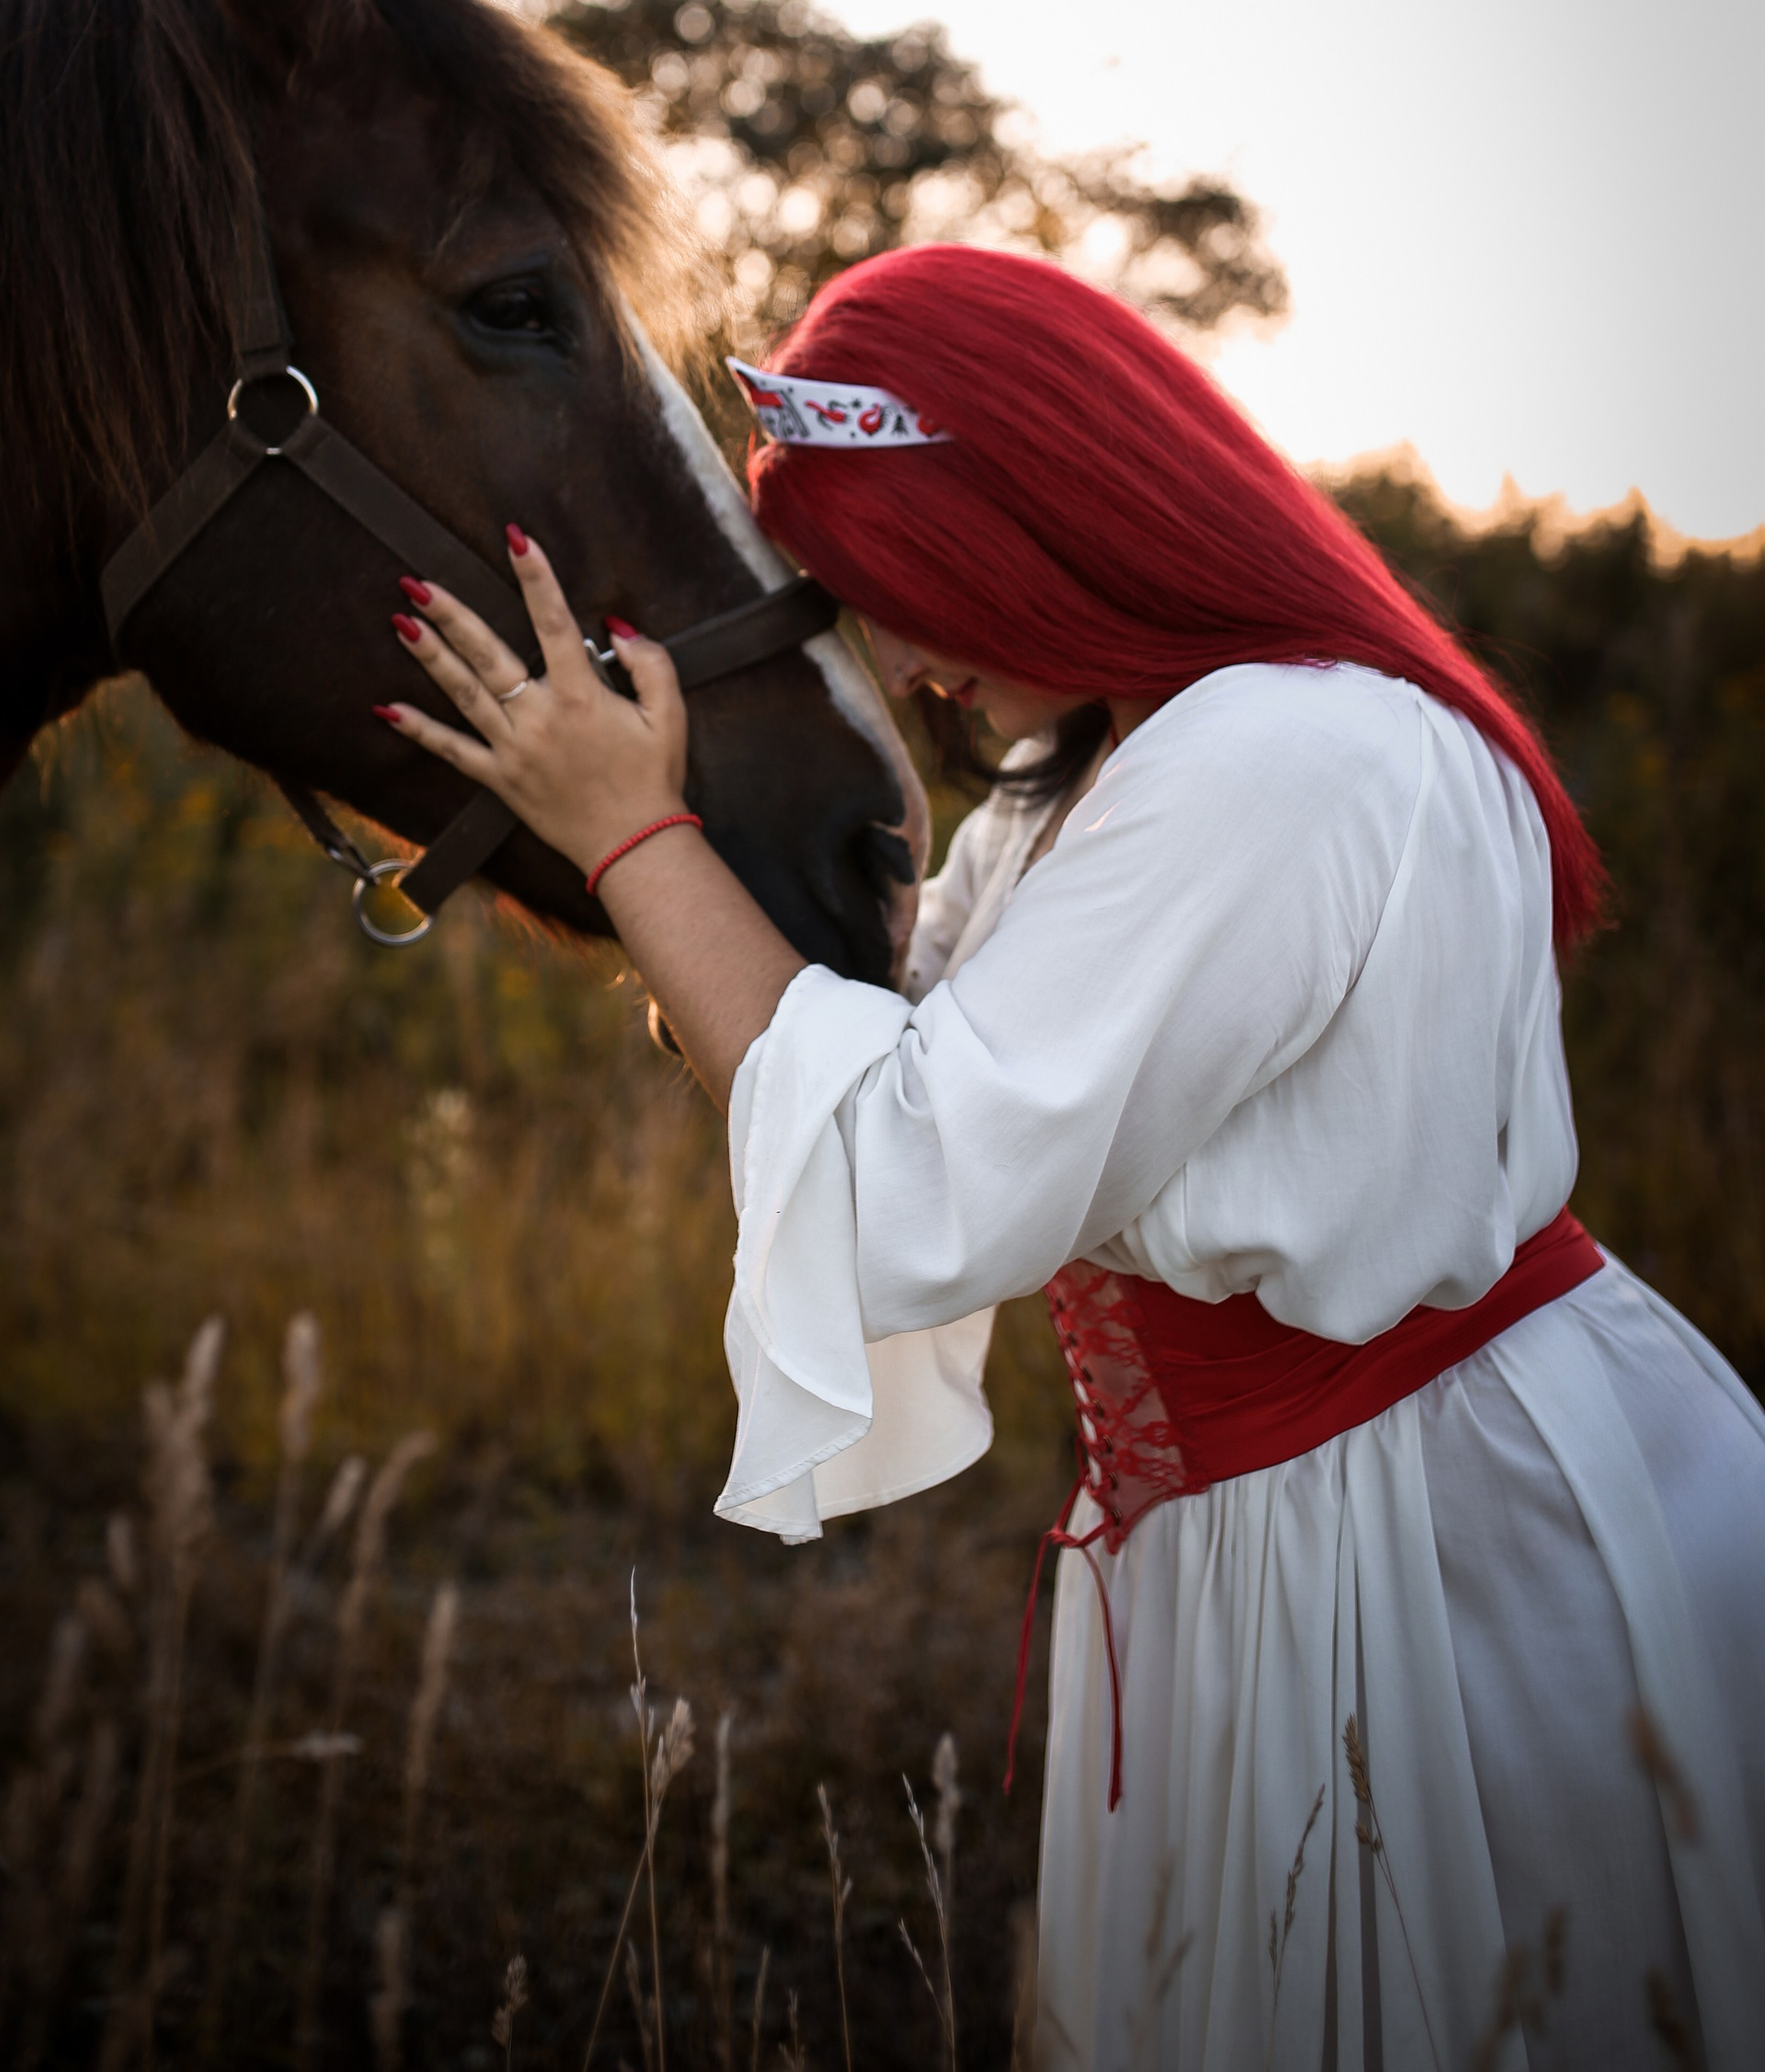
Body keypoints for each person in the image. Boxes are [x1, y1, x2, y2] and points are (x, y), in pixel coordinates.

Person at [374, 242, 1765, 2070]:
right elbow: (869, 1048)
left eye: (908, 591)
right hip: (1240, 1536)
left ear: (1042, 526)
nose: (911, 664)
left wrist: (630, 841)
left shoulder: (1284, 755)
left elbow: (905, 1178)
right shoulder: (1093, 786)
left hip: (1432, 1524)